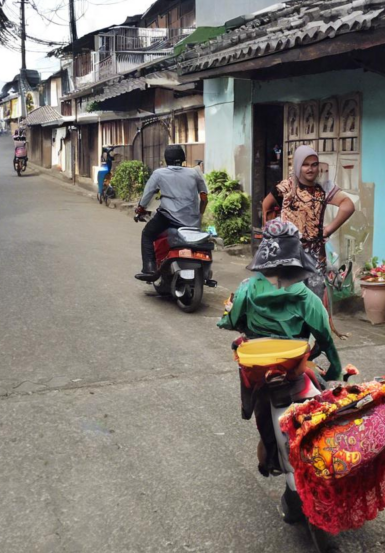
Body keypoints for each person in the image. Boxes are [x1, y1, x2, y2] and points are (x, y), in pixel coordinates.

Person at [218, 219, 342, 476]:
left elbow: (229, 321)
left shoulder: (245, 290)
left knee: (262, 423)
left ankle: (265, 458)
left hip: (260, 371)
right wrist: (333, 372)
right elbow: (326, 341)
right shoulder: (308, 296)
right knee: (323, 408)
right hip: (295, 368)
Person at [261, 145, 355, 336]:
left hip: (315, 258)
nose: (311, 169)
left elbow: (348, 206)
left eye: (314, 164)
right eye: (305, 165)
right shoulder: (286, 187)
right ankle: (287, 344)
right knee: (288, 301)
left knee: (313, 303)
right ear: (297, 165)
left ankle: (305, 347)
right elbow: (267, 205)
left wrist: (328, 229)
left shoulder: (324, 187)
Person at [134, 145, 208, 281]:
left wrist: (140, 208)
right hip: (192, 220)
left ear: (166, 159)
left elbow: (148, 194)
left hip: (168, 218)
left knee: (147, 234)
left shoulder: (159, 174)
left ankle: (150, 269)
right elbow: (204, 197)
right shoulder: (195, 173)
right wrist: (199, 216)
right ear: (183, 159)